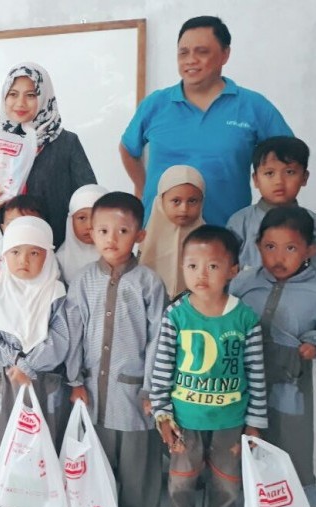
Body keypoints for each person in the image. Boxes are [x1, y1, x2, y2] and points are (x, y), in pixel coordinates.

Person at [150, 225, 267, 507]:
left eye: (213, 266)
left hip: (231, 421)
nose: (201, 274)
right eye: (192, 265)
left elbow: (256, 374)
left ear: (232, 270)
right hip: (185, 419)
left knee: (227, 483)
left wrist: (255, 422)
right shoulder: (176, 315)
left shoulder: (245, 318)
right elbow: (162, 369)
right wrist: (162, 413)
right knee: (181, 480)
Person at [120, 16, 294, 226]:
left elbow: (290, 158)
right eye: (183, 53)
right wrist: (145, 188)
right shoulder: (156, 104)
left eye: (201, 52)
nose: (190, 60)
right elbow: (128, 148)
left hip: (226, 237)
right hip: (160, 235)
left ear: (225, 54)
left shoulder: (253, 106)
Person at [65, 192, 166, 507]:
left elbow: (158, 339)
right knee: (100, 453)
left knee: (139, 458)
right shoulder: (82, 280)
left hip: (133, 389)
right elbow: (73, 332)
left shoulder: (149, 283)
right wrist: (75, 380)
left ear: (139, 235)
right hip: (93, 388)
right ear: (91, 232)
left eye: (122, 230)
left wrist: (151, 387)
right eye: (103, 230)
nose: (111, 238)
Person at [0, 216, 69, 507]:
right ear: (3, 256)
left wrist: (29, 366)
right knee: (8, 439)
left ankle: (49, 504)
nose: (24, 261)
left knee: (46, 439)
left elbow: (61, 339)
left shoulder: (56, 292)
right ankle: (9, 504)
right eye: (15, 252)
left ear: (48, 255)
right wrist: (13, 359)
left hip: (45, 382)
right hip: (9, 381)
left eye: (34, 252)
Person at [230, 207, 316, 502]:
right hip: (245, 374)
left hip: (291, 376)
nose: (278, 258)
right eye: (269, 247)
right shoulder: (245, 281)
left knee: (291, 436)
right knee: (246, 435)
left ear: (310, 249)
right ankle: (245, 500)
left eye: (290, 248)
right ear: (257, 247)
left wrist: (312, 342)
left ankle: (295, 501)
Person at [0, 63, 97, 249]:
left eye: (31, 95)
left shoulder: (66, 142)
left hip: (57, 247)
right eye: (13, 94)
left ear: (44, 97)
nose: (20, 103)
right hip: (10, 250)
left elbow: (89, 197)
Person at [227, 136, 314, 271]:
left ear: (304, 177)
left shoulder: (312, 222)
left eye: (290, 172)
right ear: (255, 179)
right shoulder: (240, 222)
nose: (279, 181)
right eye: (269, 173)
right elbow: (221, 268)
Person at [139, 165, 206, 299]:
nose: (184, 209)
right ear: (161, 201)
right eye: (176, 201)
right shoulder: (145, 238)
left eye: (192, 201)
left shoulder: (207, 240)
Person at [0, 194, 43, 287]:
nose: (19, 230)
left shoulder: (46, 259)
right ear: (3, 228)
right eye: (12, 224)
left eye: (26, 224)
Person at [56, 184, 108, 284]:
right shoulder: (60, 260)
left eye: (96, 217)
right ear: (71, 221)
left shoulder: (119, 255)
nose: (89, 225)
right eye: (82, 218)